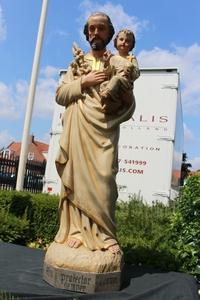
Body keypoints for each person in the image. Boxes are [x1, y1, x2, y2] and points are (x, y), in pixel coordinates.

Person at [54, 12, 136, 255]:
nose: (95, 33)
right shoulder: (77, 66)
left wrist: (118, 91)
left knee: (104, 181)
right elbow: (60, 95)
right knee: (77, 179)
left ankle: (106, 235)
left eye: (101, 28)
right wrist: (85, 81)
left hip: (104, 130)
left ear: (109, 34)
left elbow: (129, 102)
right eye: (91, 29)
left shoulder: (118, 63)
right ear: (87, 33)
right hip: (79, 130)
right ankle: (78, 232)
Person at [100, 29, 140, 112]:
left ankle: (107, 94)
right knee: (104, 84)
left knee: (116, 79)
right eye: (121, 39)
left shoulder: (131, 58)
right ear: (116, 41)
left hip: (125, 83)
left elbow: (137, 73)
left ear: (131, 45)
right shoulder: (112, 58)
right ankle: (109, 102)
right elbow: (107, 72)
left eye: (127, 41)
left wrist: (130, 70)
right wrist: (107, 62)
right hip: (113, 82)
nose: (124, 42)